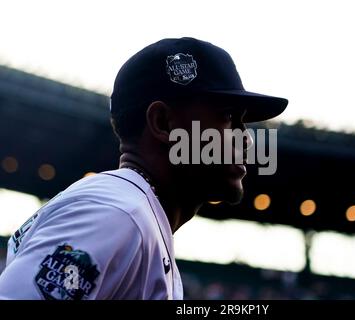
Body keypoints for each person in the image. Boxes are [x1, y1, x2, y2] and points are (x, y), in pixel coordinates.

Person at [0, 37, 288, 300]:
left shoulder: (135, 214)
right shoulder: (115, 212)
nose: (246, 138)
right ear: (163, 123)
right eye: (227, 117)